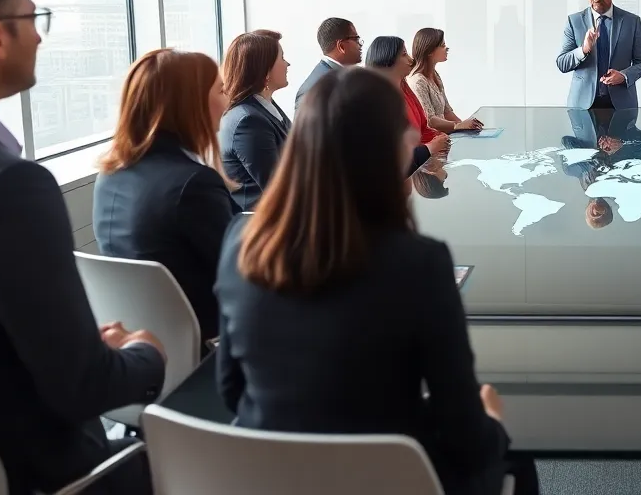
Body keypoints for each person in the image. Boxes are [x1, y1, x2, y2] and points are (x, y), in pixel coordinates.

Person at [214, 67, 539, 495]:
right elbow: (464, 433)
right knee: (512, 454)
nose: (412, 139)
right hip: (388, 474)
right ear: (382, 150)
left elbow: (230, 389)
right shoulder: (419, 264)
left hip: (267, 472)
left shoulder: (239, 242)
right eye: (404, 130)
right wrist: (493, 422)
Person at [0, 0, 165, 495]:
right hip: (39, 474)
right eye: (34, 19)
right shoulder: (7, 185)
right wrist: (145, 350)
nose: (39, 35)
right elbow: (82, 389)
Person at [94, 49, 239, 342]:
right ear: (191, 104)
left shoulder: (109, 175)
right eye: (221, 91)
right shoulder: (193, 184)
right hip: (206, 345)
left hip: (138, 343)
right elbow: (241, 275)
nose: (227, 103)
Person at [555, 0, 641, 110]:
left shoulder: (632, 22)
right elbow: (562, 64)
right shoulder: (573, 21)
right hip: (582, 106)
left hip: (621, 106)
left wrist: (623, 76)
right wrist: (584, 49)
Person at [219, 30, 292, 211]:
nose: (288, 63)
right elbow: (277, 186)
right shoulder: (248, 121)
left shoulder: (266, 106)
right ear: (265, 70)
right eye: (282, 58)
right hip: (261, 228)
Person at [367, 36, 450, 173]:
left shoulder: (404, 87)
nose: (411, 60)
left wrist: (440, 137)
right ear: (388, 61)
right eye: (404, 54)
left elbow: (423, 127)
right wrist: (430, 147)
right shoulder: (377, 102)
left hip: (420, 162)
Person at [407, 27, 484, 133]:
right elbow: (430, 121)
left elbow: (447, 112)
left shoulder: (434, 75)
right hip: (433, 143)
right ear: (430, 51)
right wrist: (459, 125)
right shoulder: (417, 82)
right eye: (442, 45)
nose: (447, 48)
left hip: (444, 136)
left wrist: (467, 127)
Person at [294, 17, 361, 113]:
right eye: (356, 39)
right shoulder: (315, 88)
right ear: (341, 46)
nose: (360, 45)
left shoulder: (344, 77)